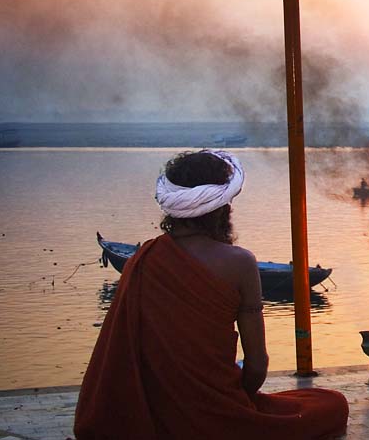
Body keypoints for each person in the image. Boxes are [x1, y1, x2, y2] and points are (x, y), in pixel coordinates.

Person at [74, 150, 348, 439]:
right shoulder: (239, 263)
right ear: (221, 208)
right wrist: (225, 401)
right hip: (217, 418)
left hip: (149, 414)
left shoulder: (142, 259)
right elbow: (256, 366)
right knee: (332, 404)